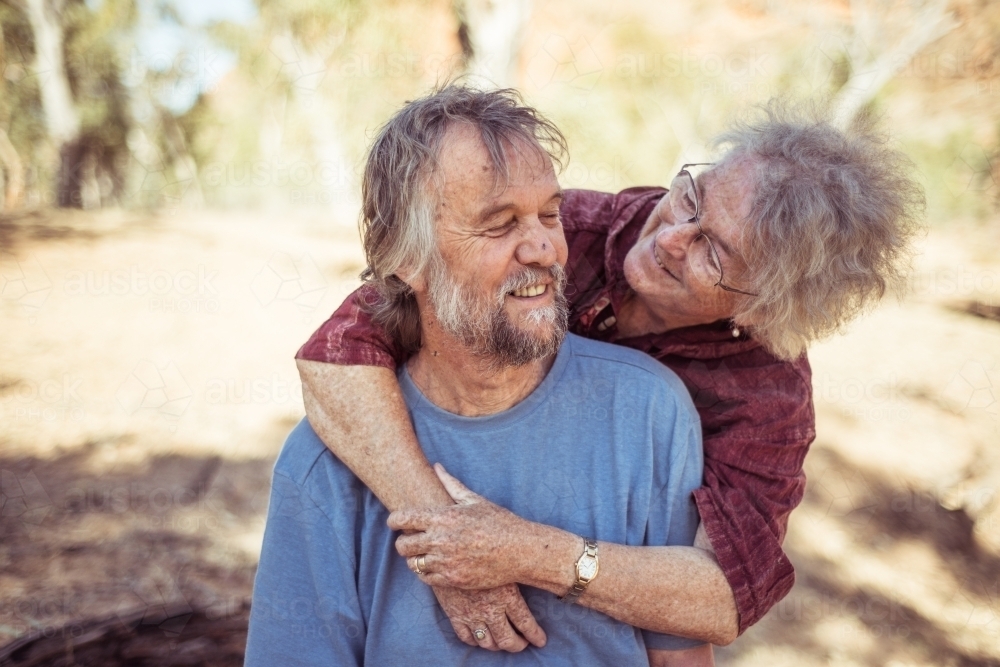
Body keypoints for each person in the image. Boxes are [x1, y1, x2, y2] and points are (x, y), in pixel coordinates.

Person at [295, 86, 924, 648]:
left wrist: (526, 555)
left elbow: (723, 598)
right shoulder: (570, 228)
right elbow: (336, 353)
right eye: (690, 201)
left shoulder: (768, 393)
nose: (671, 236)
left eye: (715, 252)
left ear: (769, 308)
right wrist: (447, 544)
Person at [246, 85, 716, 666]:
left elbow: (681, 653)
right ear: (406, 259)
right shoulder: (323, 464)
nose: (543, 248)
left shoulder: (651, 412)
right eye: (499, 225)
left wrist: (532, 555)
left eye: (550, 214)